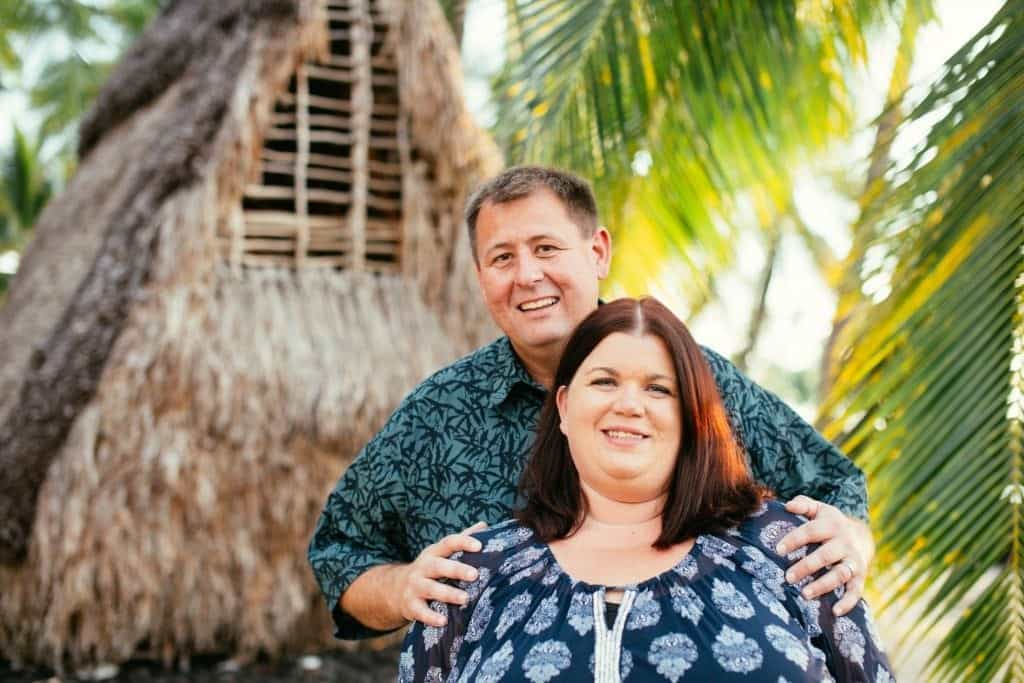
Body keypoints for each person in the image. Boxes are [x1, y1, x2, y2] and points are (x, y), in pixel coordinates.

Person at [308, 166, 874, 641]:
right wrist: (404, 587)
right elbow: (341, 554)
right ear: (481, 276)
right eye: (502, 258)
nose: (527, 275)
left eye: (546, 248)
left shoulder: (693, 379)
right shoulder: (438, 414)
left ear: (597, 251)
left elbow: (834, 485)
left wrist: (852, 537)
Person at [400, 297, 893, 682]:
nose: (630, 404)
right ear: (566, 407)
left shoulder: (793, 550)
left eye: (659, 388)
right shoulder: (470, 574)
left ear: (690, 416)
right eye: (605, 381)